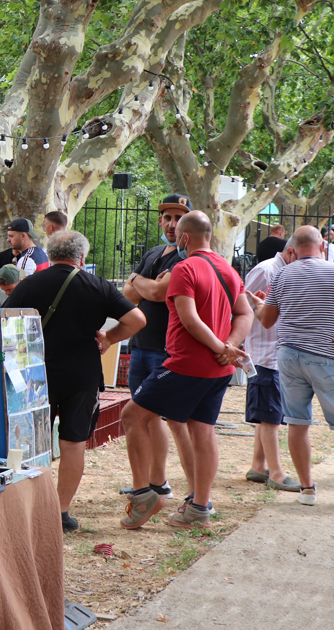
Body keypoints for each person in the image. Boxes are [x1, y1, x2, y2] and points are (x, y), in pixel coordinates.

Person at [119, 211, 253, 529]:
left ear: (184, 237)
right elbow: (245, 313)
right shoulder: (228, 268)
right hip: (218, 370)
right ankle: (199, 507)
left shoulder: (184, 268)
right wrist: (229, 346)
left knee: (132, 416)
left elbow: (190, 320)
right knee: (202, 430)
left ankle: (144, 495)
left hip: (186, 364)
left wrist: (222, 347)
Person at [5, 231, 146, 532]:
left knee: (32, 444)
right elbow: (137, 320)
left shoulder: (29, 284)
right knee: (73, 443)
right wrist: (109, 338)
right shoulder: (98, 286)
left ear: (50, 254)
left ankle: (29, 508)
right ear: (82, 257)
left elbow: (6, 322)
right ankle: (60, 512)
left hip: (36, 376)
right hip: (82, 375)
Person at [247, 226, 334, 508]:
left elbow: (267, 320)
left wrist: (259, 305)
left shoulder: (282, 274)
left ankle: (307, 489)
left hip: (287, 356)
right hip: (324, 354)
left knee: (297, 422)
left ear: (293, 249)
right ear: (322, 246)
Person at [121, 194, 193, 502]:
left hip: (166, 350)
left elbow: (156, 294)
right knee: (145, 417)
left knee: (169, 419)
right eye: (167, 218)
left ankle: (182, 489)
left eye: (179, 218)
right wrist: (143, 282)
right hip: (140, 346)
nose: (172, 224)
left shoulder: (186, 259)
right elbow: (129, 295)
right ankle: (153, 483)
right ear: (160, 220)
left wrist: (139, 282)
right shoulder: (153, 253)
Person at [241, 239, 301, 492]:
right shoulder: (266, 271)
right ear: (291, 252)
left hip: (275, 355)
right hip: (264, 355)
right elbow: (241, 304)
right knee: (270, 418)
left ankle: (258, 465)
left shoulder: (285, 271)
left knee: (269, 415)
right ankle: (276, 473)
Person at [0, 218, 49, 307]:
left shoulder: (27, 258)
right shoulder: (39, 253)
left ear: (23, 236)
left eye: (11, 236)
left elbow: (18, 290)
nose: (8, 240)